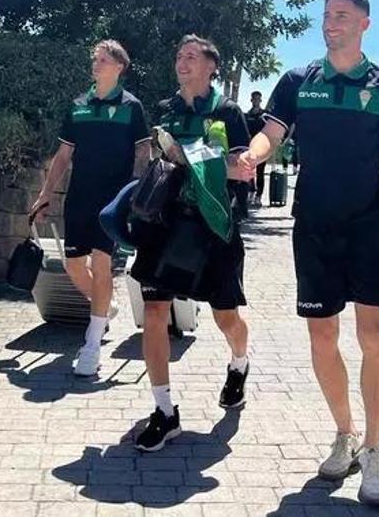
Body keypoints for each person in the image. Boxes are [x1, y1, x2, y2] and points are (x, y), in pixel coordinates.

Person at [239, 0, 379, 506]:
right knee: (322, 338)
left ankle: (374, 450)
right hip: (314, 228)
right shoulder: (300, 81)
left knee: (373, 338)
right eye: (327, 16)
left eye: (342, 16)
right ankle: (344, 435)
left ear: (365, 24)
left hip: (368, 227)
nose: (332, 23)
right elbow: (271, 134)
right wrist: (252, 157)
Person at [130, 35, 253, 452]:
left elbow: (242, 171)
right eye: (178, 56)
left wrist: (194, 158)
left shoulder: (227, 111)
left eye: (191, 57)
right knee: (154, 310)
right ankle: (164, 412)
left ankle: (239, 362)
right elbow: (152, 164)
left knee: (226, 318)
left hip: (214, 228)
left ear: (211, 67)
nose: (181, 63)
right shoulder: (166, 110)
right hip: (167, 225)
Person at [31, 40, 151, 378]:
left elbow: (143, 154)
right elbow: (63, 156)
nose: (95, 64)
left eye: (102, 60)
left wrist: (139, 194)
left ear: (119, 66)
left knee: (101, 264)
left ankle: (92, 344)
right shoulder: (78, 105)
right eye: (95, 59)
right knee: (73, 265)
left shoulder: (132, 107)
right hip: (78, 198)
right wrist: (44, 194)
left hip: (112, 201)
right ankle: (106, 306)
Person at [245, 91, 268, 207]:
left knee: (260, 172)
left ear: (261, 100)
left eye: (258, 99)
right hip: (250, 147)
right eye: (254, 99)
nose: (256, 101)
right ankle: (251, 192)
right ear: (251, 100)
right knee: (249, 170)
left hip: (262, 147)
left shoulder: (265, 115)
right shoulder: (247, 115)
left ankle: (259, 196)